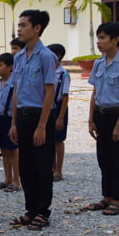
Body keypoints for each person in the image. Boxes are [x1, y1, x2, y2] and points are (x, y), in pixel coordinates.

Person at [8, 10, 57, 231]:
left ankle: (43, 212)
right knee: (26, 166)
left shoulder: (46, 56)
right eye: (19, 25)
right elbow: (17, 90)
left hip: (40, 116)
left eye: (23, 25)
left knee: (42, 166)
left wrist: (41, 126)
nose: (19, 29)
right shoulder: (18, 57)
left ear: (36, 28)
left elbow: (49, 92)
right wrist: (14, 123)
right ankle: (30, 210)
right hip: (23, 116)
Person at [83, 22, 119, 216]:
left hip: (116, 115)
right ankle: (106, 197)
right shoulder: (98, 63)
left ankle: (117, 201)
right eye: (98, 37)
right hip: (100, 114)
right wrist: (90, 119)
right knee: (103, 158)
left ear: (115, 39)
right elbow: (95, 92)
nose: (99, 42)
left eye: (103, 38)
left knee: (118, 159)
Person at [0, 53, 20, 193]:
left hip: (10, 118)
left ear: (10, 67)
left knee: (13, 150)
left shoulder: (14, 83)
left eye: (1, 65)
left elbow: (16, 105)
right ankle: (7, 178)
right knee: (3, 149)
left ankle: (16, 180)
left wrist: (14, 124)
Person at [46, 43, 69, 182]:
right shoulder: (48, 72)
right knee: (49, 139)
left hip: (59, 107)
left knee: (58, 140)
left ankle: (59, 170)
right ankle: (51, 167)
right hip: (48, 107)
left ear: (57, 56)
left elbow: (65, 96)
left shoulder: (63, 74)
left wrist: (60, 117)